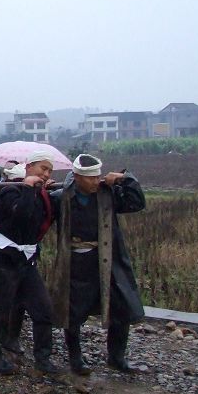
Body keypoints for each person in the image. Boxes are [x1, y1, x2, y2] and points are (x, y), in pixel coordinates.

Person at [49, 154, 146, 375]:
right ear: (76, 177)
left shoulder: (108, 195)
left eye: (97, 177)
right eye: (89, 178)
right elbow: (40, 216)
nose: (95, 181)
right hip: (77, 262)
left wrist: (124, 178)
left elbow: (137, 202)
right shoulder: (61, 197)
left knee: (120, 308)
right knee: (73, 311)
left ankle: (116, 357)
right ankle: (75, 359)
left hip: (107, 261)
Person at [0, 151, 60, 375]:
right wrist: (27, 188)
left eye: (49, 171)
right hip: (4, 259)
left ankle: (43, 357)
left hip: (26, 261)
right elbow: (21, 215)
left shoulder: (43, 194)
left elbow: (42, 222)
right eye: (42, 169)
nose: (46, 174)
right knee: (0, 309)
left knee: (43, 308)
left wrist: (42, 192)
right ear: (29, 168)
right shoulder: (10, 191)